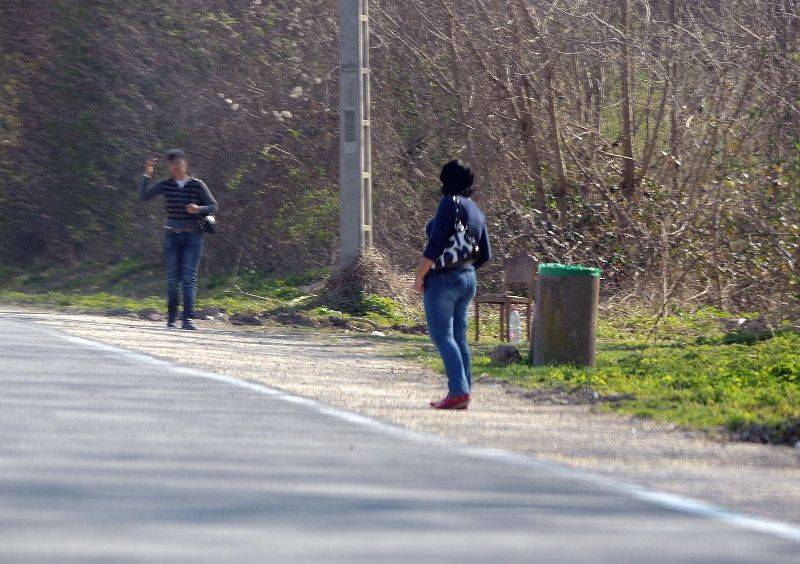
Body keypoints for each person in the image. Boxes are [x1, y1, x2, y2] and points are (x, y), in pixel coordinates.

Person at [414, 160, 491, 410]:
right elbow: (486, 254)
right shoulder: (477, 211)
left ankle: (458, 392)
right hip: (468, 279)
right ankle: (464, 390)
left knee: (443, 336)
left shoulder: (448, 203)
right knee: (460, 338)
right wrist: (464, 270)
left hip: (444, 280)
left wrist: (421, 275)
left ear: (446, 181)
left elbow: (435, 244)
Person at [139, 149, 218, 330]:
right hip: (172, 236)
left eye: (179, 163)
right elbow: (143, 197)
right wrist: (147, 175)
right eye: (173, 164)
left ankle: (187, 319)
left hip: (193, 236)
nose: (176, 167)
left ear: (185, 164)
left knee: (189, 277)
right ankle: (172, 317)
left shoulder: (197, 185)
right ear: (169, 167)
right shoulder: (166, 185)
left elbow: (213, 206)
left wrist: (198, 209)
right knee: (173, 278)